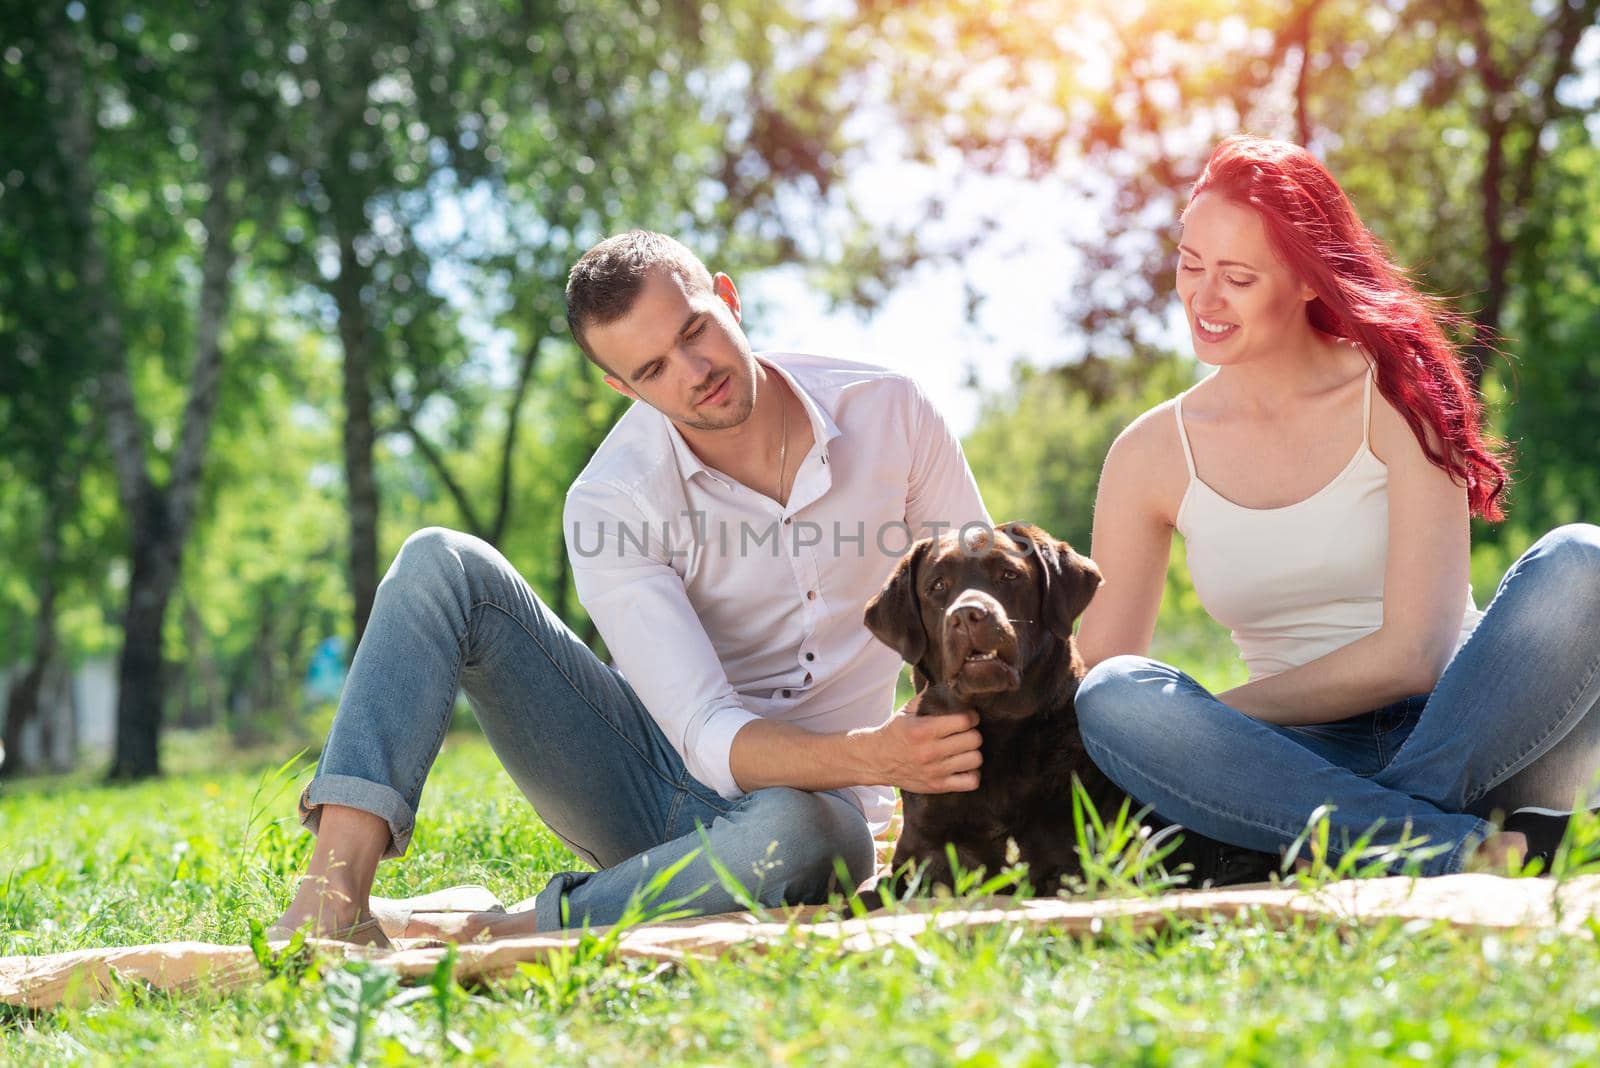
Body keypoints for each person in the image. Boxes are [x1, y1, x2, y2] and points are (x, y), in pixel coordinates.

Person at [269, 231, 991, 945]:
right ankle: (333, 897)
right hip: (648, 785)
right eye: (653, 369)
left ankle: (497, 926)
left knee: (807, 830)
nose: (693, 370)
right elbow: (707, 735)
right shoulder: (612, 499)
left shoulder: (892, 412)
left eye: (695, 331)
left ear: (728, 298)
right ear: (624, 387)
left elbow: (989, 607)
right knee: (440, 561)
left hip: (818, 817)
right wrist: (876, 754)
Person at [1074, 135, 1600, 878]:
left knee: (1582, 557)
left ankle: (1341, 834)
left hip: (1478, 729)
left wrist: (1220, 721)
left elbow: (1414, 657)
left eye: (1239, 277)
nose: (1204, 298)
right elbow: (1097, 669)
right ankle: (1447, 843)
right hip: (1295, 754)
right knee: (1113, 696)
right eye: (1190, 265)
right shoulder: (1149, 452)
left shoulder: (1397, 393)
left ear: (1308, 281)